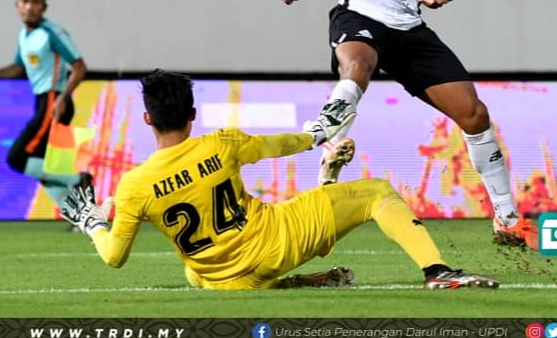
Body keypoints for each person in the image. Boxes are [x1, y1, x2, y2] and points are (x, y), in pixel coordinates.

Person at [277, 0, 537, 249]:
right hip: (358, 14)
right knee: (356, 67)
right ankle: (326, 136)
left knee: (474, 115)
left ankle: (506, 217)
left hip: (407, 29)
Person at [62, 70, 499, 291]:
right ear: (192, 114)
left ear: (146, 119)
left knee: (194, 273)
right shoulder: (221, 143)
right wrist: (318, 134)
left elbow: (114, 257)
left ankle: (295, 278)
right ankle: (438, 271)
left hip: (225, 280)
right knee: (377, 194)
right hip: (278, 242)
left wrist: (92, 224)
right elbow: (280, 145)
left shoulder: (133, 185)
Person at [0, 0, 90, 220]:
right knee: (43, 165)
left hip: (54, 102)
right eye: (25, 1)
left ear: (44, 6)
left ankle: (79, 180)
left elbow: (79, 66)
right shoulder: (25, 36)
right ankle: (80, 216)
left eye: (35, 2)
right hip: (43, 102)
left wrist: (63, 97)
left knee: (17, 157)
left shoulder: (52, 33)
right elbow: (18, 68)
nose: (30, 7)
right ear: (17, 5)